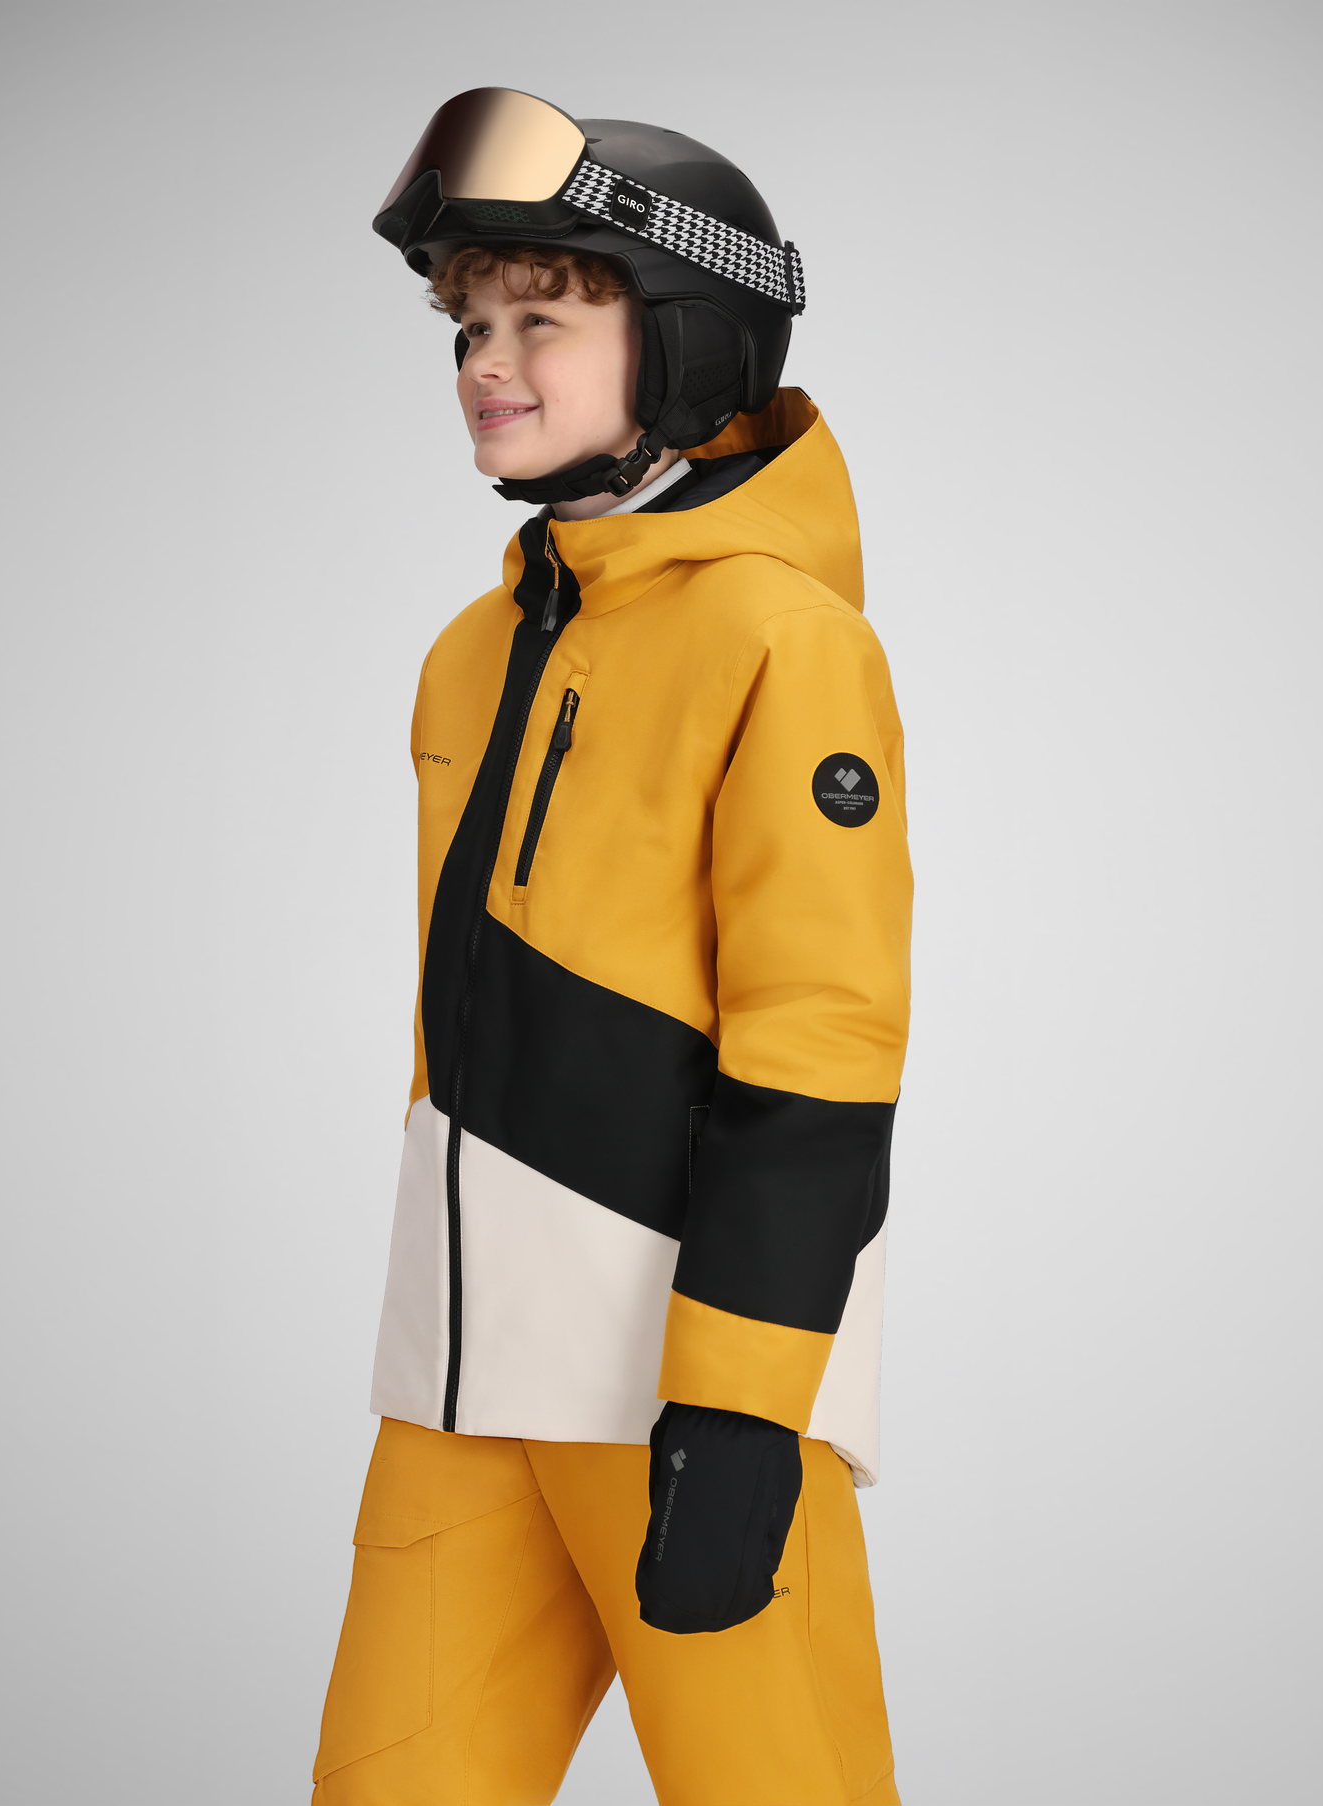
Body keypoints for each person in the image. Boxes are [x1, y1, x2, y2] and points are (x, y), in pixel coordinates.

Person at [313, 88, 912, 1806]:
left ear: (690, 338)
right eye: (471, 328)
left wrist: (741, 1411)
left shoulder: (784, 641)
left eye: (543, 320)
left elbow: (822, 1039)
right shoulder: (472, 648)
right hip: (458, 1389)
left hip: (681, 1390)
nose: (487, 364)